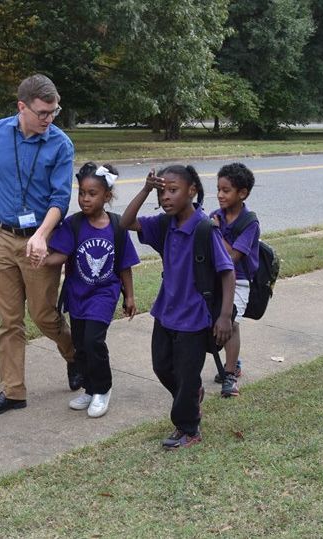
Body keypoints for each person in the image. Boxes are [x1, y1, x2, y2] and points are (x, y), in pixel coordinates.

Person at [0, 73, 78, 416]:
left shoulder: (60, 144)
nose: (49, 120)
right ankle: (14, 392)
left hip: (41, 241)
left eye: (54, 112)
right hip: (4, 238)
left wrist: (41, 235)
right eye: (42, 113)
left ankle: (73, 353)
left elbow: (60, 198)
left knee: (44, 316)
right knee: (8, 321)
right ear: (22, 107)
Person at [120, 165, 235, 449]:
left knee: (186, 373)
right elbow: (126, 222)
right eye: (162, 192)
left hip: (195, 318)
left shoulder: (205, 228)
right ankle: (192, 394)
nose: (166, 197)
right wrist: (146, 188)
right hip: (166, 312)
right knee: (162, 367)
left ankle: (188, 428)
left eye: (173, 190)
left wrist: (223, 317)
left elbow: (227, 272)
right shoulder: (164, 225)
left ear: (191, 191)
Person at [42, 163, 139, 418]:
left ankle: (103, 389)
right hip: (77, 294)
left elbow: (125, 265)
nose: (85, 198)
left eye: (92, 193)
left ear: (107, 196)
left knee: (94, 340)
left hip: (104, 294)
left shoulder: (117, 226)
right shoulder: (73, 224)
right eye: (82, 192)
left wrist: (129, 295)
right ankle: (89, 388)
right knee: (80, 345)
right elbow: (60, 256)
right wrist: (39, 259)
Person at [210, 163, 260, 398]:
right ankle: (233, 361)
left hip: (238, 280)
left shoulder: (250, 222)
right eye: (218, 189)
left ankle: (229, 374)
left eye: (226, 190)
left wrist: (216, 233)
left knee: (230, 322)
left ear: (242, 193)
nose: (220, 195)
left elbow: (232, 258)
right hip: (214, 280)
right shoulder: (214, 216)